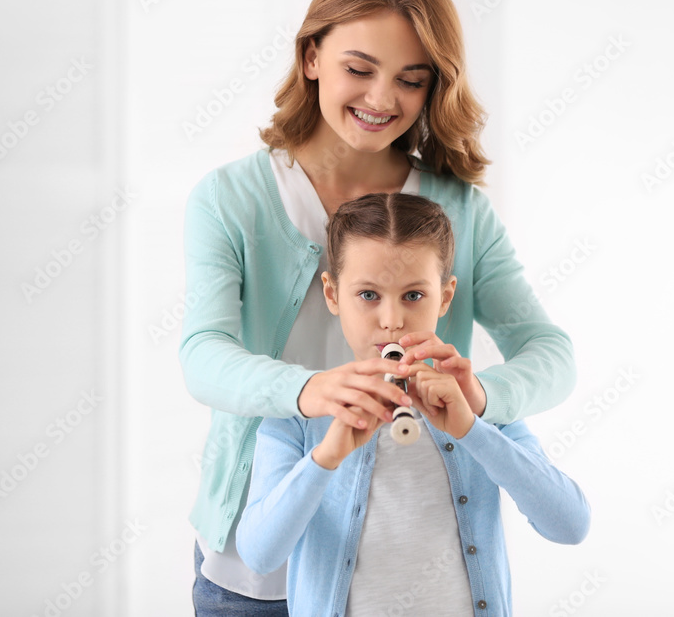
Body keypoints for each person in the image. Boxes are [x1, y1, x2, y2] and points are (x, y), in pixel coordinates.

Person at [180, 0, 578, 613]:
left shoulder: (461, 211)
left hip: (398, 564)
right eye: (358, 69)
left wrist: (481, 396)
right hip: (252, 568)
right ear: (311, 55)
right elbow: (202, 356)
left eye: (411, 79)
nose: (381, 99)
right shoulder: (230, 199)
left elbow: (550, 350)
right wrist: (311, 390)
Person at [236, 193, 591, 616]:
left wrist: (472, 430)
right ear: (332, 294)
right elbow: (259, 554)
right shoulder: (298, 418)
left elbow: (570, 525)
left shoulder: (477, 405)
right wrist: (325, 458)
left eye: (414, 296)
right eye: (368, 295)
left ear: (445, 296)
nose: (391, 320)